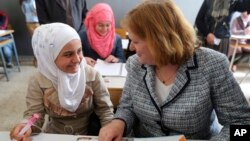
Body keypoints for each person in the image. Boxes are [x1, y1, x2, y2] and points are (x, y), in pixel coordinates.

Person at [98, 0, 250, 140]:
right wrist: (119, 122)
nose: (131, 47)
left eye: (136, 41)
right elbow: (127, 106)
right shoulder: (135, 64)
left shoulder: (213, 64)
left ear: (158, 41)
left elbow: (242, 124)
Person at [9, 23, 114, 141]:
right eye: (68, 54)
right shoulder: (38, 80)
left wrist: (109, 130)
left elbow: (105, 110)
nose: (77, 59)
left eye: (79, 51)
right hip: (54, 136)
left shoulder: (92, 75)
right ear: (49, 57)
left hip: (89, 134)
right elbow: (35, 114)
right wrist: (26, 126)